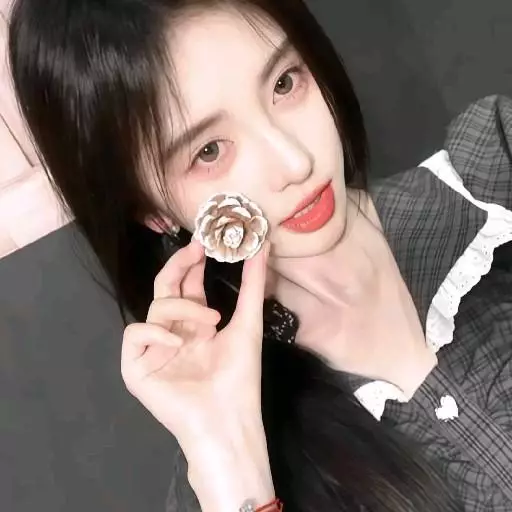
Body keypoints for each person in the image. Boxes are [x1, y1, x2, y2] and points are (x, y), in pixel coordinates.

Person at [6, 0, 512, 510]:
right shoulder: (220, 469)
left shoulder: (496, 170)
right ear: (152, 212)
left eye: (285, 83)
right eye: (209, 151)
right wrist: (231, 458)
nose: (295, 162)